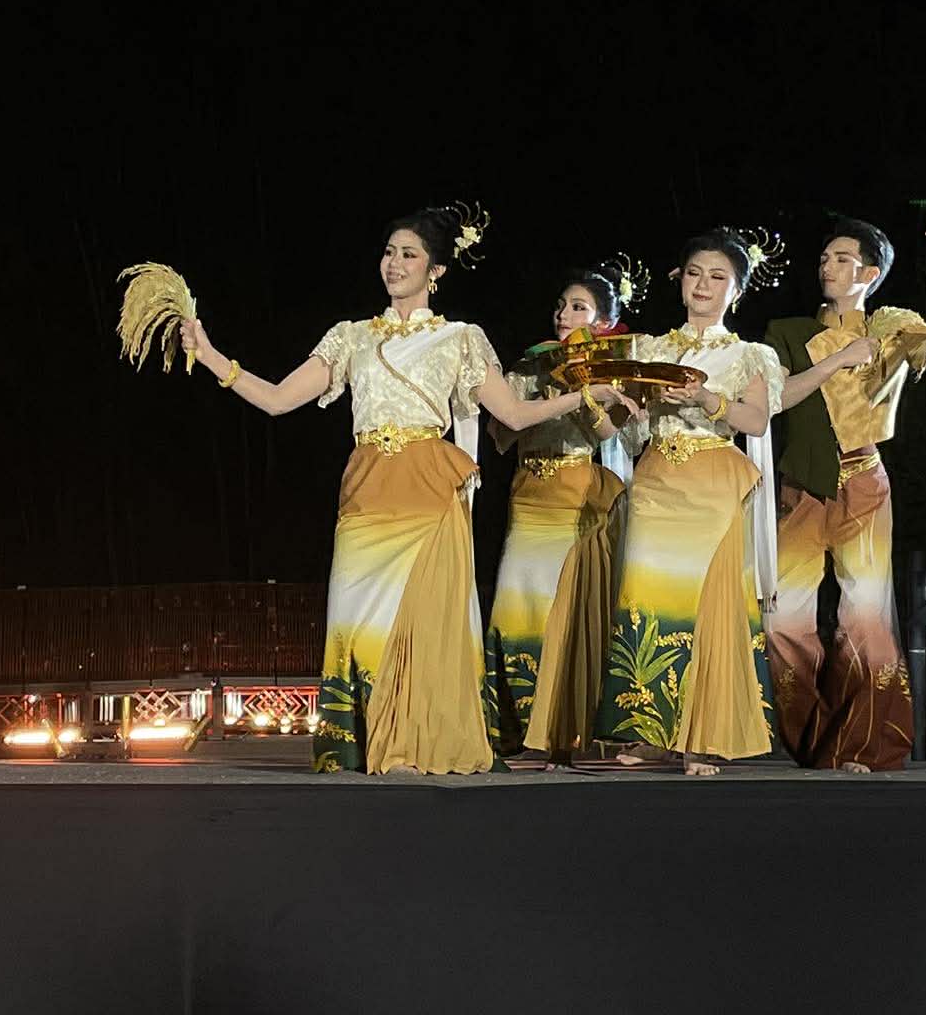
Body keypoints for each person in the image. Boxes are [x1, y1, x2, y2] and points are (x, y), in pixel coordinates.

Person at [178, 202, 635, 774]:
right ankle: (363, 741)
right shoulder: (350, 338)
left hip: (428, 486)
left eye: (409, 255)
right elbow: (276, 399)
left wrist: (588, 396)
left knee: (421, 622)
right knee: (358, 620)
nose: (394, 264)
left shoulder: (460, 339)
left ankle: (413, 739)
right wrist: (210, 355)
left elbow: (515, 415)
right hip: (368, 487)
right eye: (390, 252)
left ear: (435, 270)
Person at [760, 212, 926, 771]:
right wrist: (836, 361)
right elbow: (772, 401)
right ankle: (814, 739)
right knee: (781, 622)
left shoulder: (892, 329)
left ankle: (863, 744)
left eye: (842, 259)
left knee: (864, 619)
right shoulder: (787, 332)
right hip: (801, 486)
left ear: (869, 273)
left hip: (864, 480)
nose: (828, 266)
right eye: (825, 258)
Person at [596, 228, 787, 776]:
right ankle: (651, 730)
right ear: (680, 280)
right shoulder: (649, 350)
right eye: (695, 273)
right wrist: (610, 401)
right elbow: (617, 422)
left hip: (713, 480)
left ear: (737, 291)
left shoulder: (751, 354)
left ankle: (704, 736)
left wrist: (705, 397)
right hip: (657, 478)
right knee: (646, 598)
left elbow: (755, 421)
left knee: (709, 604)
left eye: (718, 276)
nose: (703, 284)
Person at [482, 258, 647, 769]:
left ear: (603, 322)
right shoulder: (529, 368)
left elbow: (618, 435)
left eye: (578, 307)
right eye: (561, 305)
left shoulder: (613, 371)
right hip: (528, 492)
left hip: (576, 495)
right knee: (514, 612)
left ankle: (561, 735)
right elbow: (502, 433)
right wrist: (529, 397)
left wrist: (587, 390)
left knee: (565, 615)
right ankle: (515, 733)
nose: (564, 314)